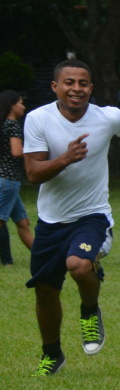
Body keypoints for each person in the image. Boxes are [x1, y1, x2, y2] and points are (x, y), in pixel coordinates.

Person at [23, 59, 120, 376]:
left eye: (83, 83)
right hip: (51, 221)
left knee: (78, 266)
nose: (76, 89)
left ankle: (90, 310)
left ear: (91, 88)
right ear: (55, 87)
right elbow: (33, 173)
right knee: (45, 292)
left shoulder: (106, 117)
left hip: (92, 216)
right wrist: (66, 158)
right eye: (69, 82)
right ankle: (51, 353)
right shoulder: (37, 119)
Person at [0, 90, 34, 265]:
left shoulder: (3, 124)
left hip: (6, 180)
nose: (23, 106)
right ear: (12, 105)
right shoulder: (12, 125)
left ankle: (43, 257)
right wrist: (34, 151)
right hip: (8, 180)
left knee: (23, 222)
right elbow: (16, 151)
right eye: (20, 102)